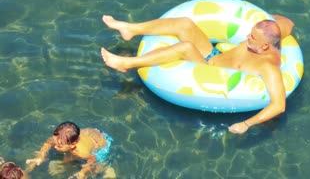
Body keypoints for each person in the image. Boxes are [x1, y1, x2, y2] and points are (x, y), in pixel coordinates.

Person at [101, 13, 295, 134]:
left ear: (266, 46)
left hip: (209, 71)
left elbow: (279, 105)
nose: (246, 36)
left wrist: (246, 124)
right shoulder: (271, 37)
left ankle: (127, 63)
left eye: (252, 37)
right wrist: (266, 18)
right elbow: (288, 23)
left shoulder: (268, 67)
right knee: (184, 23)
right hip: (214, 54)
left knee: (185, 47)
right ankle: (130, 29)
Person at [25, 121, 115, 179]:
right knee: (68, 157)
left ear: (72, 144)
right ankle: (69, 162)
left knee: (96, 169)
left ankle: (108, 170)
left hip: (101, 144)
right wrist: (41, 156)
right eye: (55, 142)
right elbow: (48, 143)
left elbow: (92, 159)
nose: (55, 147)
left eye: (59, 145)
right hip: (90, 133)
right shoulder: (59, 137)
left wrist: (83, 172)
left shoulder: (82, 152)